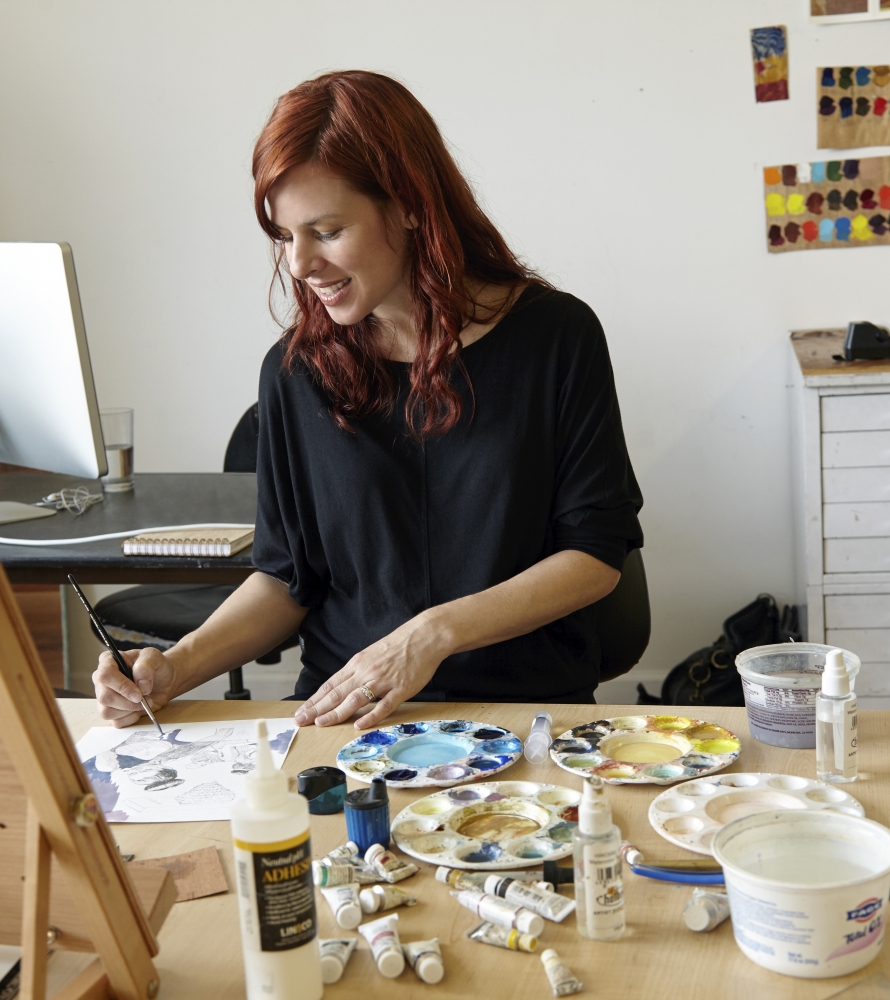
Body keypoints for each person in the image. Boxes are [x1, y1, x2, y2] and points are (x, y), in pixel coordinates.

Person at [92, 70, 643, 733]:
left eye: (325, 231)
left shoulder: (557, 338)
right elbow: (286, 579)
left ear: (410, 204)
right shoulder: (296, 371)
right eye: (284, 235)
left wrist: (430, 635)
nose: (298, 264)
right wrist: (175, 668)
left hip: (524, 714)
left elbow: (595, 558)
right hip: (346, 726)